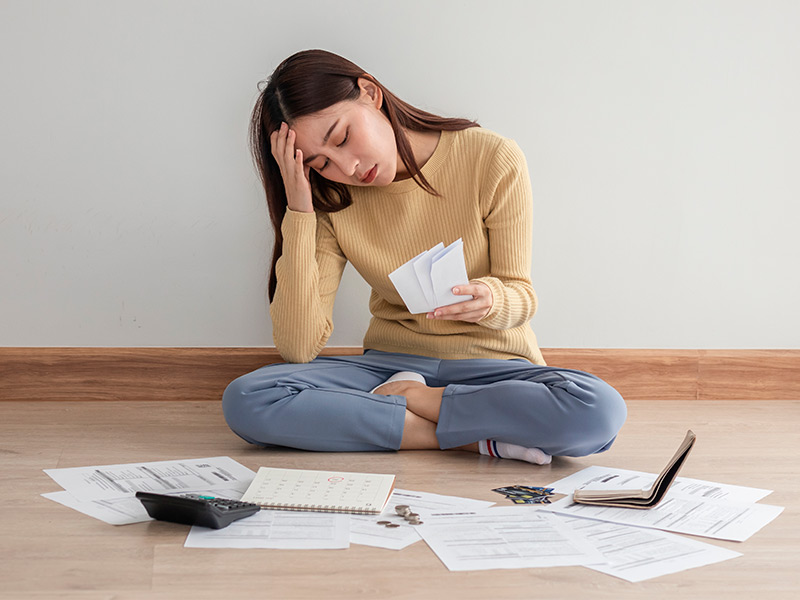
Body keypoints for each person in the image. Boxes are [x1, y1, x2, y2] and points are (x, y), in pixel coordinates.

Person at [222, 49, 627, 464]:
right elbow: (299, 346)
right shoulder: (332, 201)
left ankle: (414, 405)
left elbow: (521, 295)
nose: (347, 166)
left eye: (342, 137)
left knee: (599, 410)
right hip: (388, 368)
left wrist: (490, 299)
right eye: (321, 163)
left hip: (494, 367)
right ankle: (472, 439)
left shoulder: (490, 158)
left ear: (369, 92)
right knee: (248, 398)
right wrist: (300, 210)